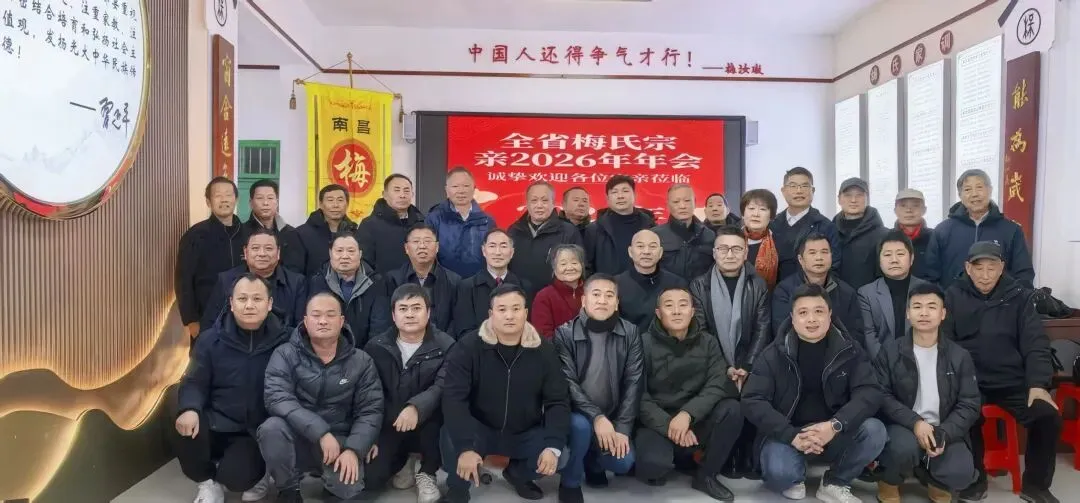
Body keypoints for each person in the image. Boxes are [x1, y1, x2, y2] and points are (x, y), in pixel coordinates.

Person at [743, 283, 886, 503]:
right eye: (803, 313)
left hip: (833, 431)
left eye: (819, 311)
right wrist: (791, 435)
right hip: (788, 433)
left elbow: (869, 392)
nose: (811, 319)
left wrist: (836, 425)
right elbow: (753, 400)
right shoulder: (773, 354)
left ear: (830, 314)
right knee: (780, 474)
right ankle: (794, 475)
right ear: (792, 318)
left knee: (875, 431)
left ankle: (835, 482)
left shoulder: (850, 349)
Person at [943, 241, 1061, 503]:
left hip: (1012, 380)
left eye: (992, 268)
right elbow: (946, 345)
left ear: (1002, 268)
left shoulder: (1020, 297)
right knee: (964, 415)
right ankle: (975, 480)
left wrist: (1038, 384)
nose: (985, 275)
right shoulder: (952, 296)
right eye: (979, 268)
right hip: (970, 381)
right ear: (968, 268)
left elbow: (1035, 344)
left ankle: (1036, 485)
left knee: (1046, 415)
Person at [439, 284, 570, 503]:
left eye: (516, 309)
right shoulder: (468, 347)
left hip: (524, 431)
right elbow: (454, 398)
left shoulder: (544, 350)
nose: (509, 315)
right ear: (491, 313)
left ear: (526, 313)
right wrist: (465, 447)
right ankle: (458, 488)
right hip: (480, 428)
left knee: (561, 454)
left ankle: (519, 474)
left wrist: (553, 445)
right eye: (502, 309)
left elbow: (557, 401)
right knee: (451, 437)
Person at [174, 274, 290, 503]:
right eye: (242, 298)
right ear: (231, 303)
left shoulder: (287, 340)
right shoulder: (210, 340)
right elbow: (194, 381)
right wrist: (189, 408)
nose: (249, 305)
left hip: (252, 432)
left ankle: (256, 472)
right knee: (182, 412)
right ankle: (207, 482)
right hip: (215, 421)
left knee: (236, 478)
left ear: (269, 304)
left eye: (257, 299)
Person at [258, 292, 384, 503]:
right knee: (271, 429)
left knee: (348, 491)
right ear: (306, 321)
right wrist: (320, 432)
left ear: (341, 321)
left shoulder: (361, 361)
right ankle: (288, 489)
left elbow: (370, 410)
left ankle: (331, 485)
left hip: (340, 439)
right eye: (316, 315)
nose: (323, 321)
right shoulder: (285, 354)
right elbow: (277, 397)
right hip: (297, 436)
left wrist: (354, 449)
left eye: (330, 315)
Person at [873, 282, 980, 503]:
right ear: (908, 313)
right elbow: (882, 396)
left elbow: (969, 404)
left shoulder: (959, 356)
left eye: (931, 307)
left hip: (943, 426)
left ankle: (934, 480)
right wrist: (915, 423)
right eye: (917, 307)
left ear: (943, 314)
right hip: (904, 426)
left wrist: (945, 433)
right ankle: (889, 480)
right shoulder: (890, 351)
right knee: (902, 448)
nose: (924, 313)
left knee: (961, 472)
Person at [636, 287, 743, 500]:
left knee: (733, 409)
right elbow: (638, 395)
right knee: (653, 466)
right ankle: (678, 458)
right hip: (658, 423)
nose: (677, 311)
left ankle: (706, 475)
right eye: (669, 306)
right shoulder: (642, 343)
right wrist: (670, 426)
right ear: (658, 313)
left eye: (683, 305)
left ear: (693, 311)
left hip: (696, 419)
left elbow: (716, 385)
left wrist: (687, 414)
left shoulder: (708, 342)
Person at [689, 225, 772, 478]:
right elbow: (701, 330)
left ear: (745, 252)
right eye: (723, 248)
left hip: (749, 362)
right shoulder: (699, 285)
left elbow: (762, 327)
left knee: (755, 397)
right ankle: (726, 455)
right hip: (714, 363)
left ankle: (747, 453)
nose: (730, 254)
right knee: (725, 401)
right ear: (714, 252)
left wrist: (747, 366)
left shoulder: (757, 284)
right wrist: (724, 367)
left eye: (736, 249)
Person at [552, 274, 643, 503]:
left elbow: (634, 382)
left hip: (612, 415)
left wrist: (622, 427)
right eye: (596, 294)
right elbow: (568, 382)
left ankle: (593, 462)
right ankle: (570, 482)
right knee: (581, 427)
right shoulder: (564, 333)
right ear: (584, 300)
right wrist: (596, 417)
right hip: (576, 414)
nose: (602, 300)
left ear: (617, 303)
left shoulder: (630, 332)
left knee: (623, 462)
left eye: (609, 295)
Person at [362, 284, 454, 503]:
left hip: (431, 420)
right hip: (390, 421)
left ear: (428, 313)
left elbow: (442, 386)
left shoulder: (446, 346)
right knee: (371, 478)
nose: (410, 314)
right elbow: (369, 395)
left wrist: (416, 407)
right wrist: (369, 436)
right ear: (394, 315)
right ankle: (404, 461)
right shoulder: (376, 347)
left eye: (416, 308)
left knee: (443, 418)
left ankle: (427, 471)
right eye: (403, 309)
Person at [925, 169, 1034, 288]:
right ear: (960, 195)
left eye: (979, 187)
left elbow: (1023, 274)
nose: (974, 194)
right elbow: (930, 275)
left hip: (1001, 300)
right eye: (968, 189)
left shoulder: (1011, 230)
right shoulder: (943, 230)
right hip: (952, 298)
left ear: (990, 190)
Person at [176, 177, 246, 340]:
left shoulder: (248, 234)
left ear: (236, 199)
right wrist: (191, 320)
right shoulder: (195, 235)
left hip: (244, 317)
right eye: (218, 195)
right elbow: (183, 279)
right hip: (207, 318)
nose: (224, 199)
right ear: (208, 202)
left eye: (228, 195)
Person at [199, 228, 307, 330]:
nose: (262, 254)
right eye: (255, 248)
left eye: (268, 248)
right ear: (245, 252)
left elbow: (300, 329)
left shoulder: (296, 283)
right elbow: (209, 325)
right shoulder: (226, 281)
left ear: (278, 253)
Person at [374, 223, 461, 335]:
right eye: (416, 241)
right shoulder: (392, 280)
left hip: (443, 342)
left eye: (427, 241)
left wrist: (444, 342)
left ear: (437, 247)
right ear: (406, 248)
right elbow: (383, 320)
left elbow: (457, 322)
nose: (422, 246)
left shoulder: (454, 281)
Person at [772, 232, 862, 339]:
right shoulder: (784, 291)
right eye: (812, 253)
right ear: (801, 259)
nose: (819, 257)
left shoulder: (847, 293)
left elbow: (855, 335)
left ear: (831, 256)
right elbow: (782, 333)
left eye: (824, 252)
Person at [857, 229, 929, 358]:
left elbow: (931, 330)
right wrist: (887, 363)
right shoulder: (866, 294)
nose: (894, 260)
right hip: (881, 363)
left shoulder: (927, 290)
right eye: (887, 255)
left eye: (900, 254)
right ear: (879, 260)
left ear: (912, 258)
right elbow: (869, 335)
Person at [508, 181, 583, 299]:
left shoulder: (568, 231)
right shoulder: (514, 231)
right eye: (534, 200)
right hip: (518, 300)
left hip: (555, 300)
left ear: (553, 203)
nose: (539, 205)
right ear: (527, 203)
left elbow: (580, 268)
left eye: (545, 200)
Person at [451, 228, 531, 338]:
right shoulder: (467, 287)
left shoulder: (524, 287)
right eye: (492, 246)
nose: (498, 252)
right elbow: (464, 330)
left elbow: (528, 327)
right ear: (484, 251)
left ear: (512, 252)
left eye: (503, 246)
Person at [307, 233, 379, 348]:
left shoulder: (376, 283)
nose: (345, 256)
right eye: (339, 251)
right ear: (330, 253)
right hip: (327, 351)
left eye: (351, 251)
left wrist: (365, 356)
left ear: (360, 254)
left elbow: (378, 327)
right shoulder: (318, 282)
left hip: (365, 353)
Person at [769, 167, 841, 281]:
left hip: (813, 290)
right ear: (783, 191)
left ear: (813, 190)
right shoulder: (772, 224)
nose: (799, 191)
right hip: (776, 290)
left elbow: (834, 266)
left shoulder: (826, 226)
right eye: (793, 186)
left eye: (805, 186)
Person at [425, 167, 496, 279]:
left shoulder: (487, 220)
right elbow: (427, 254)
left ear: (474, 189)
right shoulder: (434, 218)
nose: (461, 191)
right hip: (444, 282)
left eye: (466, 186)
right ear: (447, 190)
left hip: (479, 282)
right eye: (455, 186)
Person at [614, 229, 686, 330]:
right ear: (630, 251)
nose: (646, 252)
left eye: (652, 246)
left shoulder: (676, 284)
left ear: (660, 252)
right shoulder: (616, 285)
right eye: (640, 246)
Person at [584, 175, 656, 275]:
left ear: (634, 194)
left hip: (644, 283)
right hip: (608, 284)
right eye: (614, 192)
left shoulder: (650, 226)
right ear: (607, 198)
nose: (620, 196)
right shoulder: (594, 229)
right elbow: (587, 266)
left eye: (625, 191)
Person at [356, 174, 426, 275]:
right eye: (397, 190)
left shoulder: (422, 223)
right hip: (382, 283)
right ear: (384, 194)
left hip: (417, 283)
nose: (402, 195)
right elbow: (363, 263)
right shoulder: (369, 225)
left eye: (406, 191)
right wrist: (379, 282)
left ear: (412, 194)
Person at [833, 178, 888, 289]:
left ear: (867, 198)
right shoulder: (830, 232)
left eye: (859, 195)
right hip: (835, 297)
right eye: (848, 195)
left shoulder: (883, 235)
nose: (853, 200)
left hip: (869, 298)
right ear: (839, 199)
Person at [653, 184, 717, 280]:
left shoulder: (709, 235)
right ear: (668, 205)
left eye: (687, 201)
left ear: (695, 202)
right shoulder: (655, 236)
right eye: (676, 202)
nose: (682, 206)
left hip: (700, 289)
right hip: (666, 289)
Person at [296, 184, 358, 277]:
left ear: (347, 204)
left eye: (340, 200)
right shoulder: (301, 234)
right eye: (330, 200)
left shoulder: (356, 233)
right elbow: (296, 273)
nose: (335, 205)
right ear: (321, 204)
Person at [244, 179, 304, 274]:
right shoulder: (242, 232)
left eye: (270, 198)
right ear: (251, 203)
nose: (265, 203)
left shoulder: (291, 233)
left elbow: (297, 267)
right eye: (260, 198)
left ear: (277, 202)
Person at [531, 244, 586, 338]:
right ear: (554, 269)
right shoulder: (544, 296)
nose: (569, 268)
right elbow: (543, 335)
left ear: (582, 266)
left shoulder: (591, 292)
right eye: (563, 264)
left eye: (574, 263)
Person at [740, 189, 781, 290]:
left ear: (771, 216)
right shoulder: (731, 239)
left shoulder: (780, 242)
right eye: (751, 208)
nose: (756, 214)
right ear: (743, 213)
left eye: (763, 209)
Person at [893, 188, 935, 280]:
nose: (909, 210)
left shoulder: (935, 238)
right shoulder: (886, 238)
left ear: (924, 210)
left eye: (915, 205)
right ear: (895, 210)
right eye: (903, 205)